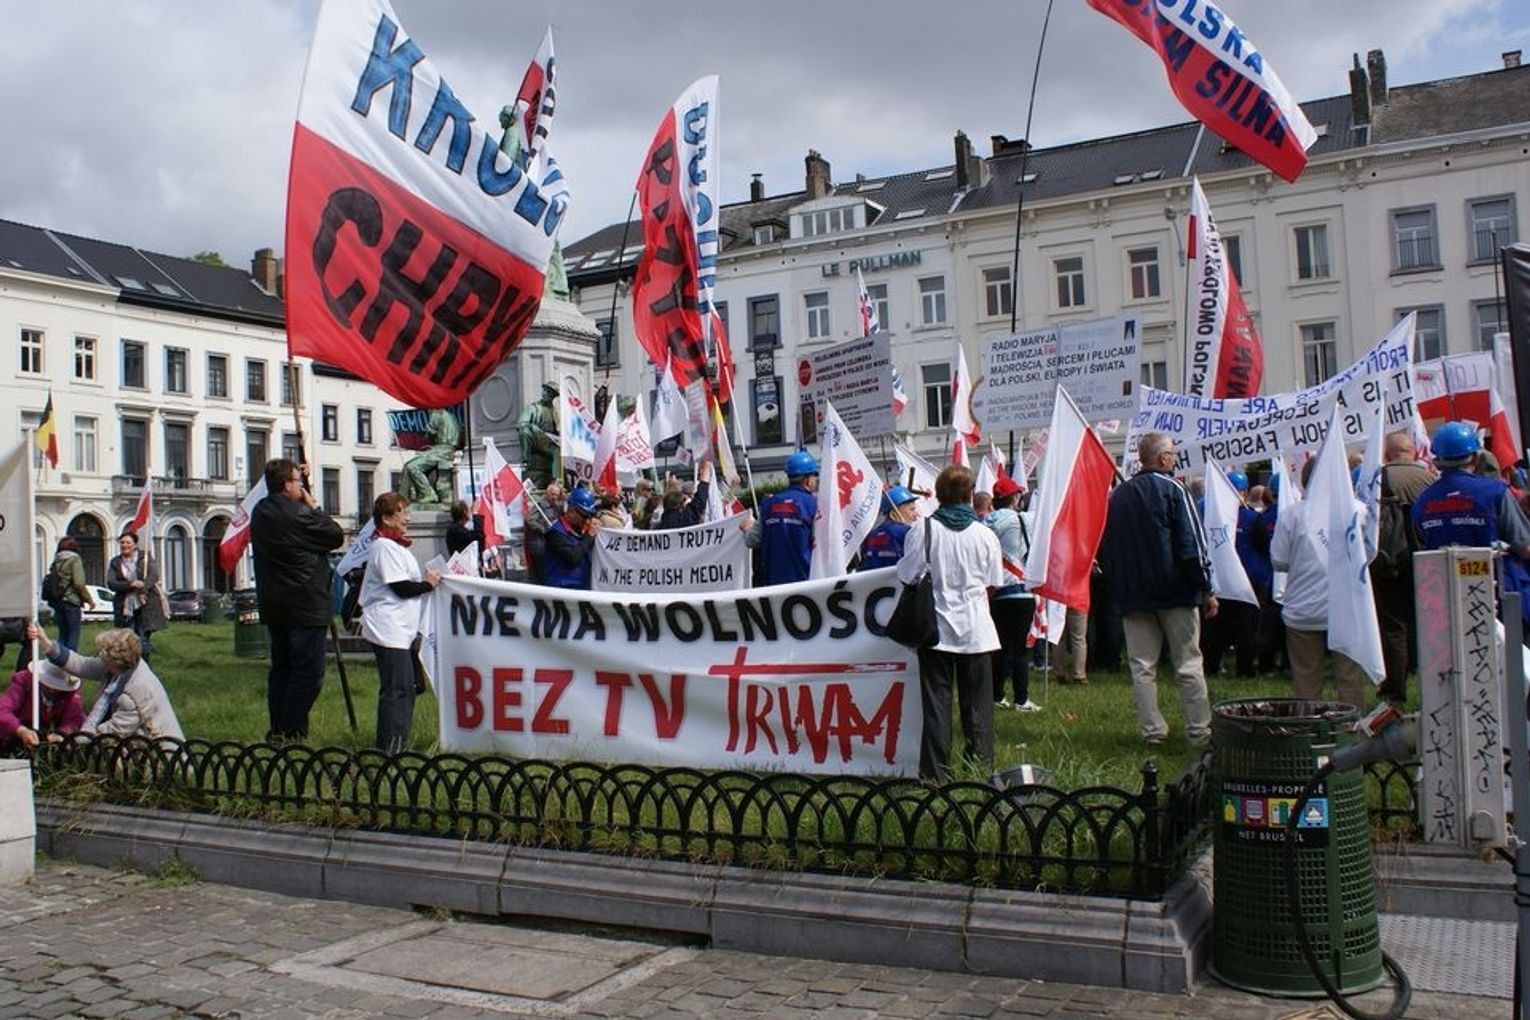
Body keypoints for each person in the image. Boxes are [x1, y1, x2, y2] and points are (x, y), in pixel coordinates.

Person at [1099, 432, 1216, 748]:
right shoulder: (1175, 489)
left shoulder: (1118, 496)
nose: (1175, 458)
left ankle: (1152, 731)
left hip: (1133, 595)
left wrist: (1119, 586)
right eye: (1173, 453)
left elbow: (1107, 548)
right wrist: (1206, 587)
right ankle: (1199, 731)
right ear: (1163, 458)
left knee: (1142, 667)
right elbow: (1192, 545)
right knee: (1188, 663)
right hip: (1175, 591)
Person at [898, 465, 1004, 781]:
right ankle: (979, 769)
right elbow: (993, 582)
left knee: (936, 706)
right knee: (978, 706)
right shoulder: (985, 535)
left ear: (940, 494)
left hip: (935, 629)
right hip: (976, 630)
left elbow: (907, 576)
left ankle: (934, 774)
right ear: (970, 495)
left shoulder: (923, 530)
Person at [250, 458, 344, 743]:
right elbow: (334, 535)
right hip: (306, 604)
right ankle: (291, 731)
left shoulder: (260, 512)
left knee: (282, 669)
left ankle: (278, 728)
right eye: (297, 482)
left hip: (276, 605)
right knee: (308, 674)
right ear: (286, 485)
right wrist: (313, 505)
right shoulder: (299, 515)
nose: (300, 486)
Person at [1272, 459, 1369, 710]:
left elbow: (1279, 561)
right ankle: (1351, 725)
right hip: (1346, 609)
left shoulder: (1291, 515)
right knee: (1349, 678)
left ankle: (1309, 726)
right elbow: (1369, 555)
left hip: (1302, 609)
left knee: (1306, 679)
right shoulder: (1358, 511)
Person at [360, 493, 441, 754]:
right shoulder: (383, 547)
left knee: (407, 686)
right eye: (402, 512)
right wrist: (428, 585)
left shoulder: (395, 547)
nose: (407, 517)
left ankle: (397, 741)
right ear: (386, 518)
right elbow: (401, 587)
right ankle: (391, 746)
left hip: (400, 629)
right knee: (397, 688)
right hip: (388, 628)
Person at [27, 623, 183, 742]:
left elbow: (112, 731)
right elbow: (82, 665)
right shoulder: (124, 666)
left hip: (157, 756)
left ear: (113, 661)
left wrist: (71, 740)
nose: (98, 656)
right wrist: (46, 643)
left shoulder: (136, 693)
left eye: (101, 654)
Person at [1371, 430, 1434, 705]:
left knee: (1394, 627)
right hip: (1426, 561)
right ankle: (1432, 686)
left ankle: (1394, 690)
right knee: (1429, 623)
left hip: (1388, 561)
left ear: (1387, 454)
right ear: (1414, 452)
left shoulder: (1377, 479)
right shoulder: (1429, 480)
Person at [1414, 422, 1530, 558]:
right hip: (1497, 571)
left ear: (1437, 462)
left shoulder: (1422, 500)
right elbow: (1525, 547)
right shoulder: (1496, 492)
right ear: (1475, 458)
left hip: (1442, 572)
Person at [986, 476, 1040, 712]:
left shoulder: (986, 522)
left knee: (998, 647)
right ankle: (1021, 699)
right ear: (1015, 497)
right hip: (1020, 591)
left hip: (995, 591)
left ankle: (996, 695)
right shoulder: (1024, 519)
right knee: (1019, 650)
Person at [748, 451, 819, 586]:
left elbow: (751, 540)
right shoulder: (814, 505)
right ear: (807, 479)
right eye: (815, 476)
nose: (815, 481)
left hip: (773, 585)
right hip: (807, 583)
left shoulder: (768, 504)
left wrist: (747, 527)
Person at [106, 531, 166, 661]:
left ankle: (145, 668)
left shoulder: (145, 558)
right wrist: (131, 584)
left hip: (145, 605)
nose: (125, 545)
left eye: (128, 542)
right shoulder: (115, 562)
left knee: (142, 640)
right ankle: (130, 668)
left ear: (135, 545)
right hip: (125, 607)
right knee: (127, 641)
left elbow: (153, 576)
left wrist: (143, 589)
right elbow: (111, 583)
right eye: (122, 542)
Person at [0, 659, 84, 751]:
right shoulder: (24, 681)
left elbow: (75, 719)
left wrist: (61, 734)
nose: (53, 690)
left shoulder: (69, 693)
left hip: (46, 742)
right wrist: (20, 730)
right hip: (12, 740)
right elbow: (3, 711)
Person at [543, 487, 601, 590]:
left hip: (581, 588)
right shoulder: (556, 532)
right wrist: (589, 536)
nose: (587, 520)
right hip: (561, 590)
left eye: (590, 516)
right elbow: (572, 557)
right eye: (585, 516)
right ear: (571, 511)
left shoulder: (581, 531)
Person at [401, 407, 461, 508]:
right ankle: (404, 498)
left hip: (441, 450)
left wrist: (426, 435)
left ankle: (427, 493)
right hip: (447, 450)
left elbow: (430, 432)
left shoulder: (436, 413)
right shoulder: (451, 417)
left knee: (411, 466)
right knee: (409, 465)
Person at [45, 537, 96, 652]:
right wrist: (89, 600)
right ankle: (70, 661)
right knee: (73, 635)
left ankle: (59, 659)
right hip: (71, 601)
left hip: (58, 600)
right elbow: (79, 583)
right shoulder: (74, 559)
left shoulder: (57, 560)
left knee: (62, 634)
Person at [860, 486, 920, 570]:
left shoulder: (870, 535)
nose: (916, 515)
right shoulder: (907, 532)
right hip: (898, 577)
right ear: (896, 511)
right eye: (912, 510)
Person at [517, 381, 562, 489]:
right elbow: (521, 424)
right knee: (524, 431)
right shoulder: (534, 408)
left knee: (557, 451)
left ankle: (557, 480)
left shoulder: (556, 411)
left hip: (550, 442)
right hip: (536, 439)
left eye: (550, 392)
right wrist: (533, 428)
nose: (546, 394)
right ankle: (526, 461)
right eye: (545, 391)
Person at [655, 463, 712, 530]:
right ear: (682, 505)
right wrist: (706, 465)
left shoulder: (661, 525)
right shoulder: (689, 517)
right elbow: (702, 492)